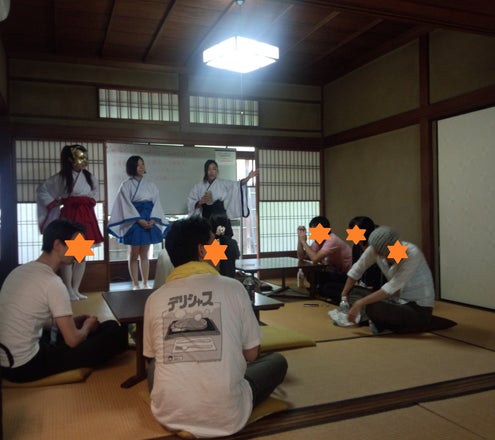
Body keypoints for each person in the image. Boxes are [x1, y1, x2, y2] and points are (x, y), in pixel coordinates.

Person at [143, 216, 287, 438]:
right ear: (202, 251)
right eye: (214, 243)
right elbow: (251, 354)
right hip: (227, 414)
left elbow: (151, 355)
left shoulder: (155, 298)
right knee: (277, 362)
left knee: (155, 364)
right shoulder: (234, 288)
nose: (218, 247)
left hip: (169, 414)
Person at [0, 219, 128, 383]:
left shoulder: (19, 271)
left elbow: (31, 319)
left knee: (81, 330)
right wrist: (87, 327)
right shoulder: (53, 283)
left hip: (5, 361)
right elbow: (73, 341)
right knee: (114, 332)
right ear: (58, 245)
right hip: (24, 366)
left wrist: (71, 322)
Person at [37, 144, 104, 301]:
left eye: (85, 157)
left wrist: (87, 200)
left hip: (85, 214)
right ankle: (67, 289)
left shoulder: (90, 177)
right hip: (69, 215)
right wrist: (55, 202)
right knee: (68, 253)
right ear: (69, 159)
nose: (84, 161)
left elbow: (95, 194)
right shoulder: (60, 178)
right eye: (80, 157)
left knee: (81, 255)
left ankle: (76, 289)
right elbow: (43, 190)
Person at [340, 225, 435, 333]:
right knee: (353, 291)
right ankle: (372, 318)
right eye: (380, 254)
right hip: (393, 301)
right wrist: (343, 297)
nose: (382, 257)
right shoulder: (374, 249)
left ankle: (371, 318)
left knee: (372, 306)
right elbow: (357, 270)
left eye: (385, 254)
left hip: (417, 308)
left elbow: (391, 289)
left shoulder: (412, 253)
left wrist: (359, 303)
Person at [107, 156, 168, 290]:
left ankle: (145, 282)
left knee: (145, 253)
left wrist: (153, 219)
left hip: (149, 217)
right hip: (133, 220)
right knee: (134, 253)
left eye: (142, 164)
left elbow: (157, 203)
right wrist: (138, 219)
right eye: (138, 165)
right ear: (132, 167)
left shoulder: (151, 185)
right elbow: (125, 204)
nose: (141, 167)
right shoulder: (126, 185)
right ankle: (135, 284)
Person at [297, 216, 352, 303]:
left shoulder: (332, 240)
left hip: (348, 276)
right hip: (334, 273)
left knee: (326, 288)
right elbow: (301, 257)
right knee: (311, 273)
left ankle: (327, 291)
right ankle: (321, 289)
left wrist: (304, 242)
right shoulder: (318, 241)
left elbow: (314, 259)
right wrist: (300, 240)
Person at [187, 159, 257, 221]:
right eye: (209, 169)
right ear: (206, 171)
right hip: (206, 218)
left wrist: (248, 177)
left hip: (221, 217)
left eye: (214, 169)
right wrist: (200, 202)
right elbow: (191, 201)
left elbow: (237, 185)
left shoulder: (223, 183)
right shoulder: (198, 187)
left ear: (217, 171)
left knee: (222, 231)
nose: (211, 172)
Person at [348, 216, 383, 291]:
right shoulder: (356, 246)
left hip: (377, 288)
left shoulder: (377, 247)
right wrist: (356, 283)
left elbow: (382, 274)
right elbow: (355, 266)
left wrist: (373, 287)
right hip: (361, 285)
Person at [210, 214, 240, 278]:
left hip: (215, 279)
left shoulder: (213, 244)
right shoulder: (233, 243)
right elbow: (237, 256)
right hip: (230, 279)